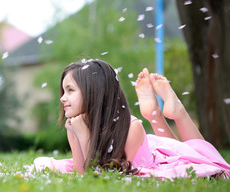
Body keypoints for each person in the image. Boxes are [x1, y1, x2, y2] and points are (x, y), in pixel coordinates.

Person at [32, 59, 230, 178]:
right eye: (63, 90)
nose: (62, 98)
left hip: (150, 157)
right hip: (149, 149)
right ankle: (154, 113)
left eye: (70, 90)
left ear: (94, 92)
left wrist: (83, 136)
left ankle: (176, 111)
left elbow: (102, 178)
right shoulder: (74, 124)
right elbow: (81, 174)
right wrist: (76, 135)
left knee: (198, 154)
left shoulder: (130, 128)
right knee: (185, 150)